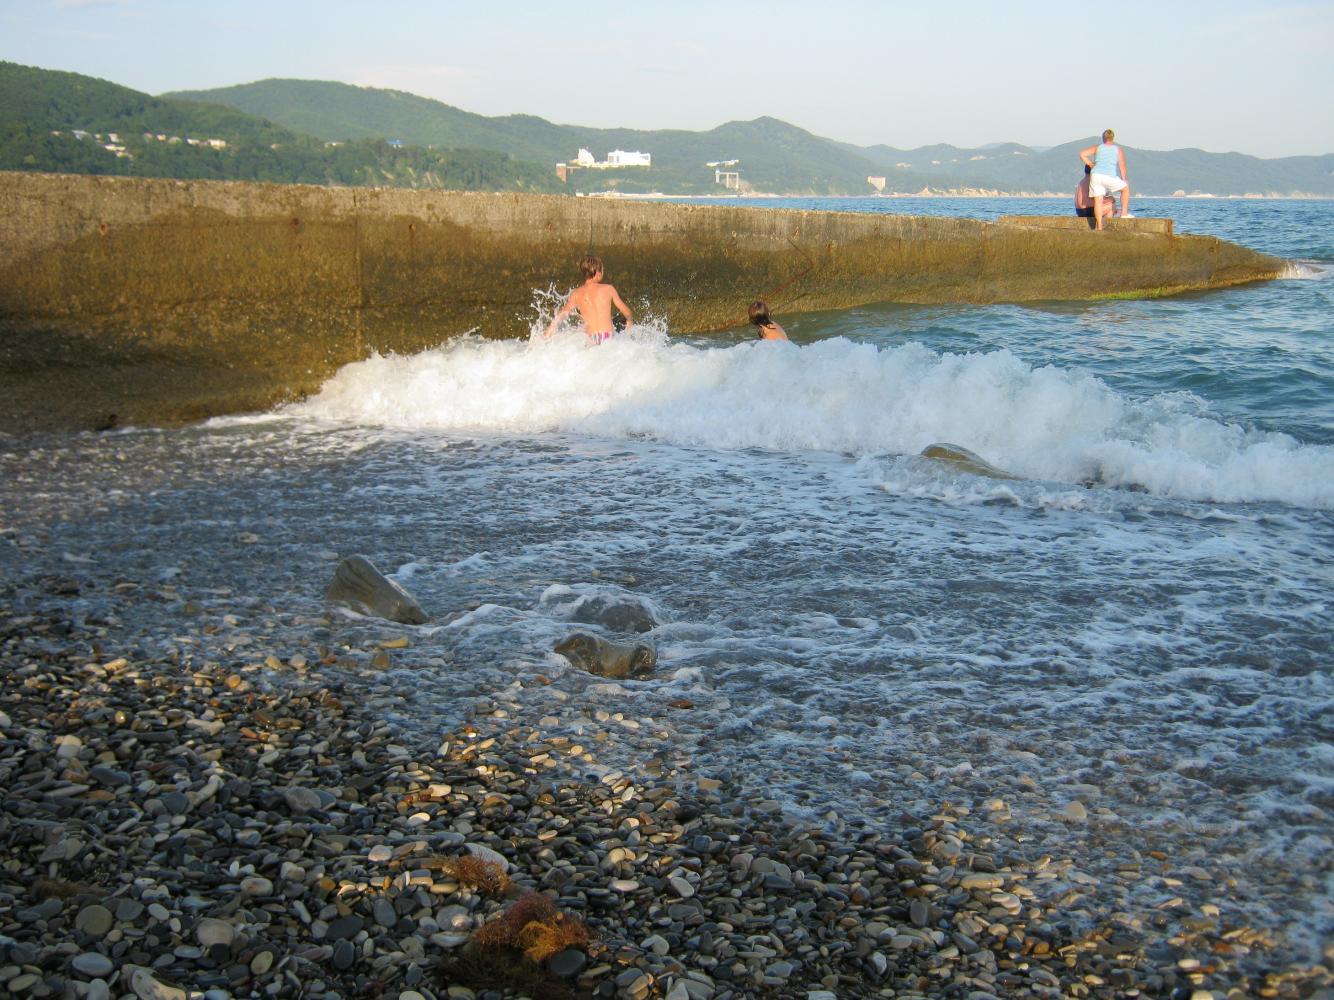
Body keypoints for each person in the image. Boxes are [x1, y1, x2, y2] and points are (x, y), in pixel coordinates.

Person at [545, 253, 633, 342]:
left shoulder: (576, 294)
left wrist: (551, 328)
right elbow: (627, 312)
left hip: (590, 339)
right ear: (598, 273)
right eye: (602, 270)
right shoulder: (608, 289)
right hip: (607, 337)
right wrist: (629, 321)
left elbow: (563, 313)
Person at [1079, 129, 1133, 230]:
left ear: (1103, 138)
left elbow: (1082, 154)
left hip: (1096, 175)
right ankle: (1124, 214)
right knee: (1125, 189)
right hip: (1109, 176)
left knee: (1098, 202)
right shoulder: (1117, 149)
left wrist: (1090, 164)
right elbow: (1122, 166)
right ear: (1113, 138)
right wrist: (1124, 179)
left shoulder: (1098, 147)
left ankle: (1099, 227)